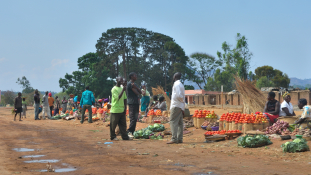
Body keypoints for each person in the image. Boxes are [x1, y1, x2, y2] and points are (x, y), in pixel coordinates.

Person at [167, 72, 185, 144]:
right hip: (180, 106)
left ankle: (174, 138)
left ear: (174, 77)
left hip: (176, 105)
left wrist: (181, 101)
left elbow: (179, 95)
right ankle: (179, 138)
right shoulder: (181, 84)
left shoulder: (176, 84)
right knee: (180, 122)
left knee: (173, 121)